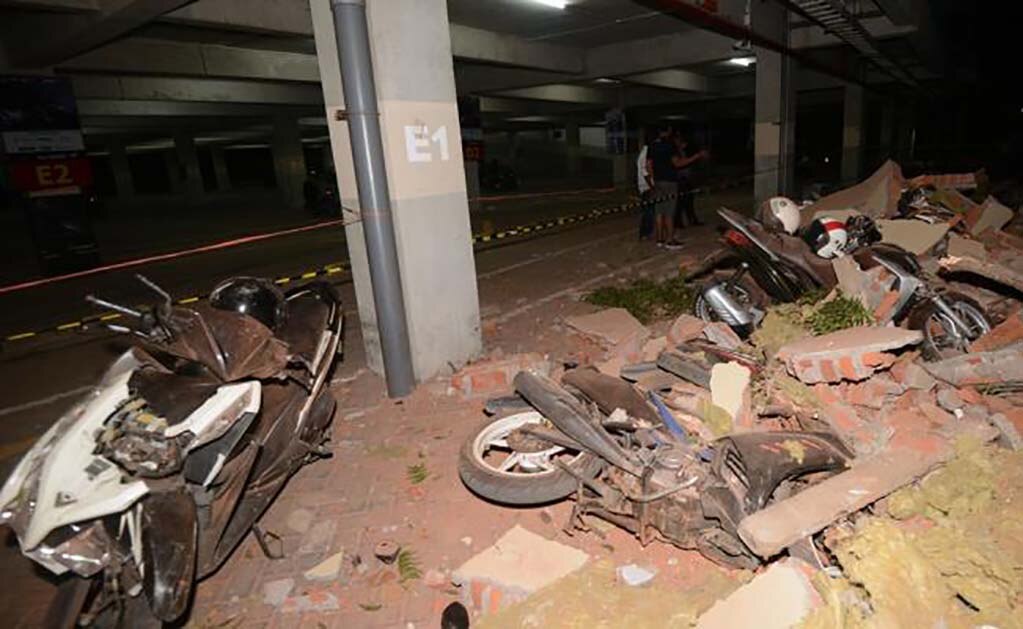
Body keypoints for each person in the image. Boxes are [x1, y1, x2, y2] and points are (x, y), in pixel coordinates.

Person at [647, 125, 707, 249]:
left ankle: (659, 239)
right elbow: (677, 163)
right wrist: (696, 156)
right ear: (668, 131)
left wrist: (654, 180)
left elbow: (648, 165)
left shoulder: (652, 145)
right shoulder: (670, 145)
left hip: (658, 181)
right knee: (669, 212)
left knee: (659, 211)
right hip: (670, 181)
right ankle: (670, 240)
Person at [636, 130, 655, 240]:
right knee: (648, 212)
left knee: (649, 211)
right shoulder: (645, 153)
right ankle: (645, 233)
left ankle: (647, 232)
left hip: (647, 186)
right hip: (646, 186)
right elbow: (645, 172)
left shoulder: (647, 152)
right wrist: (652, 186)